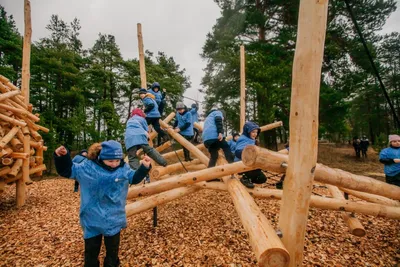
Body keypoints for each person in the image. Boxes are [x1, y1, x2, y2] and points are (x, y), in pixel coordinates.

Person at [54, 140, 151, 267]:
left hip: (114, 218)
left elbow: (134, 178)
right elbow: (68, 170)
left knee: (112, 251)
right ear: (101, 157)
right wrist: (62, 157)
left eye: (117, 160)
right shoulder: (88, 167)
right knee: (91, 251)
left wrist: (144, 167)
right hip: (92, 217)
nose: (114, 164)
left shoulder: (123, 168)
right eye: (110, 161)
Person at [125, 108, 167, 172]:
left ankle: (137, 173)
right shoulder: (142, 119)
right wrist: (146, 138)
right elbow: (146, 130)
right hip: (140, 135)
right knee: (149, 150)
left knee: (132, 157)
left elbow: (130, 130)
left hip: (129, 139)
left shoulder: (129, 120)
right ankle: (163, 162)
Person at [234, 121, 267, 189]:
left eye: (256, 132)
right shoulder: (243, 139)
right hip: (241, 162)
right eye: (253, 132)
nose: (255, 134)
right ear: (247, 132)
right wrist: (248, 155)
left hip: (250, 162)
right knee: (256, 169)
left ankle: (248, 180)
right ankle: (245, 178)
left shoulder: (252, 140)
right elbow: (237, 152)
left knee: (262, 179)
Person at [202, 104, 234, 169]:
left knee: (214, 156)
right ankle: (232, 166)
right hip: (214, 136)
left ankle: (210, 176)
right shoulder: (218, 113)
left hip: (206, 139)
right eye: (223, 118)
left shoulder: (208, 117)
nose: (223, 119)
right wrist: (220, 133)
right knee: (226, 147)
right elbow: (218, 121)